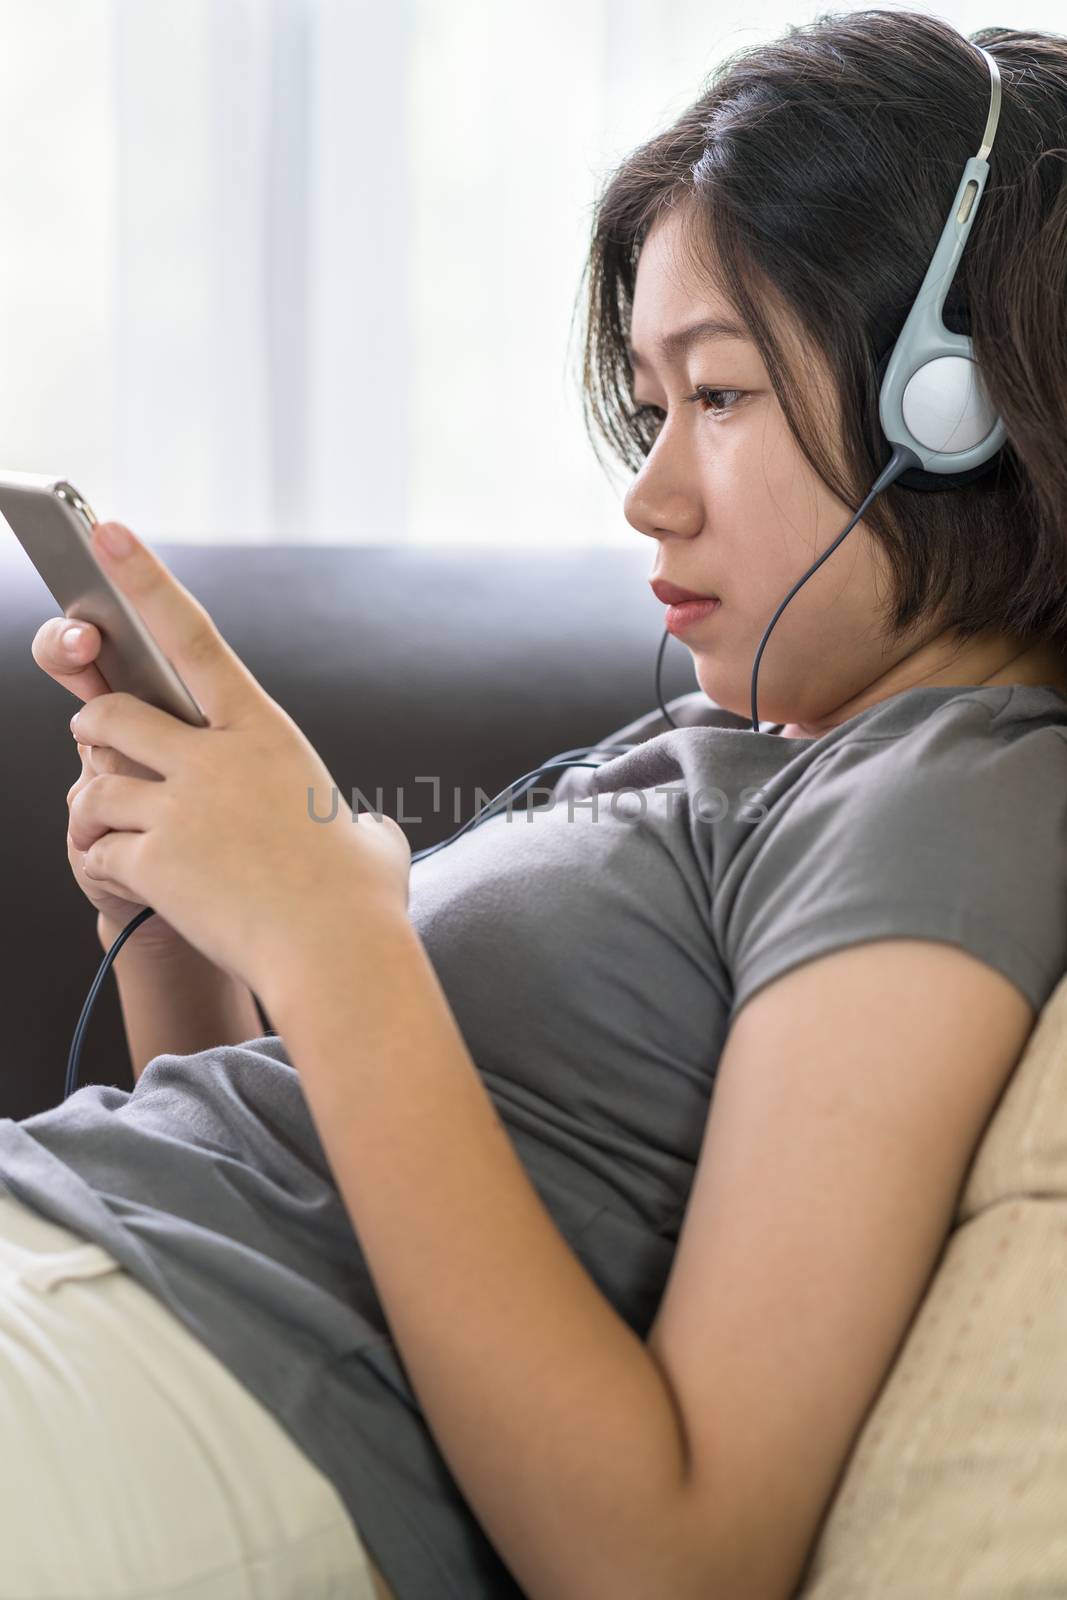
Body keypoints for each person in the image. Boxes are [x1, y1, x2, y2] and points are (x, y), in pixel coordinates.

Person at [3, 8, 1067, 1598]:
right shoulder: (750, 766)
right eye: (652, 410)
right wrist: (191, 924)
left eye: (717, 397)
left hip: (143, 1386)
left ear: (954, 406)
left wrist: (331, 925)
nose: (648, 491)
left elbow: (673, 1553)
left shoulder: (966, 788)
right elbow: (303, 1197)